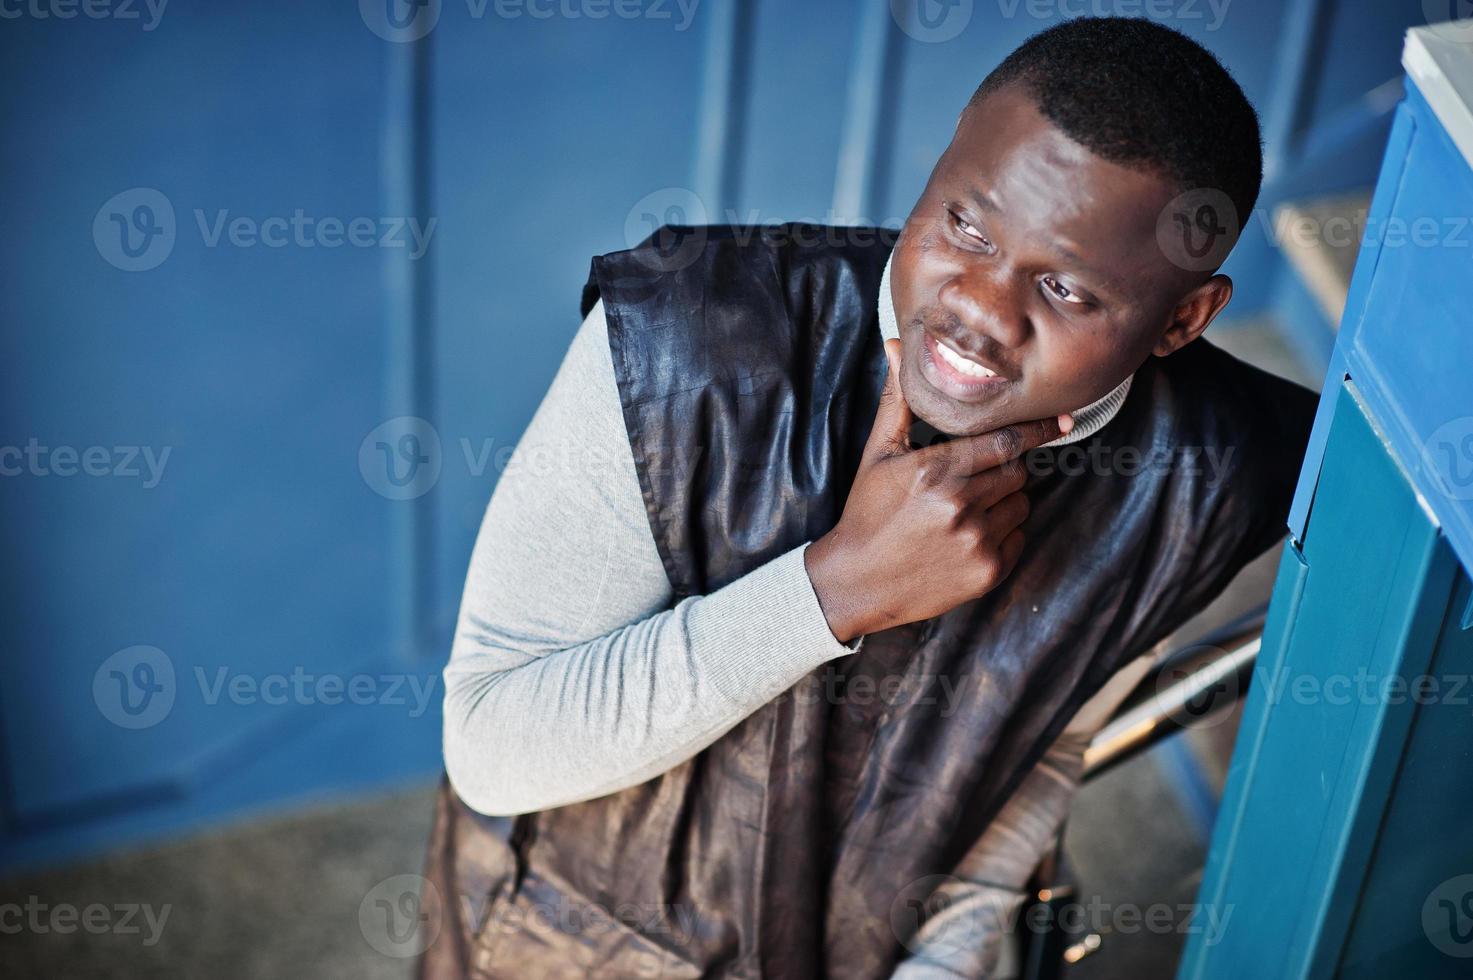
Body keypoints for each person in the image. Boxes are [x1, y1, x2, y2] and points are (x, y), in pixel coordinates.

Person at [419, 17, 1318, 979]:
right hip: (566, 946)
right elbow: (492, 740)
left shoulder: (1210, 475)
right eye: (964, 225)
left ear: (1182, 319)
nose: (978, 306)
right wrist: (832, 590)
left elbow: (1034, 758)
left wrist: (945, 963)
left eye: (1062, 288)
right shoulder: (689, 345)